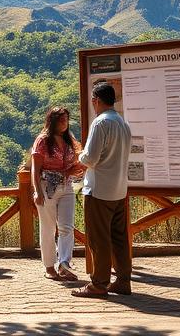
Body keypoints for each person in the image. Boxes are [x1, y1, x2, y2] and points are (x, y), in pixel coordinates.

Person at [72, 82, 132, 298]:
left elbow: (91, 158)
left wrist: (79, 155)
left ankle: (99, 284)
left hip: (99, 191)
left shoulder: (101, 123)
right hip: (119, 190)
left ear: (96, 100)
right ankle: (123, 280)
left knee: (98, 239)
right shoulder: (123, 124)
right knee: (119, 238)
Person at [31, 106, 84, 282]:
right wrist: (37, 191)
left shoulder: (70, 140)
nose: (64, 123)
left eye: (66, 119)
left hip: (67, 186)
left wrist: (77, 169)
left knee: (66, 227)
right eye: (61, 119)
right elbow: (35, 169)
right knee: (48, 228)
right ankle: (49, 266)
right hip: (47, 187)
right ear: (52, 120)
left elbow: (75, 163)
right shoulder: (43, 140)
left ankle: (64, 264)